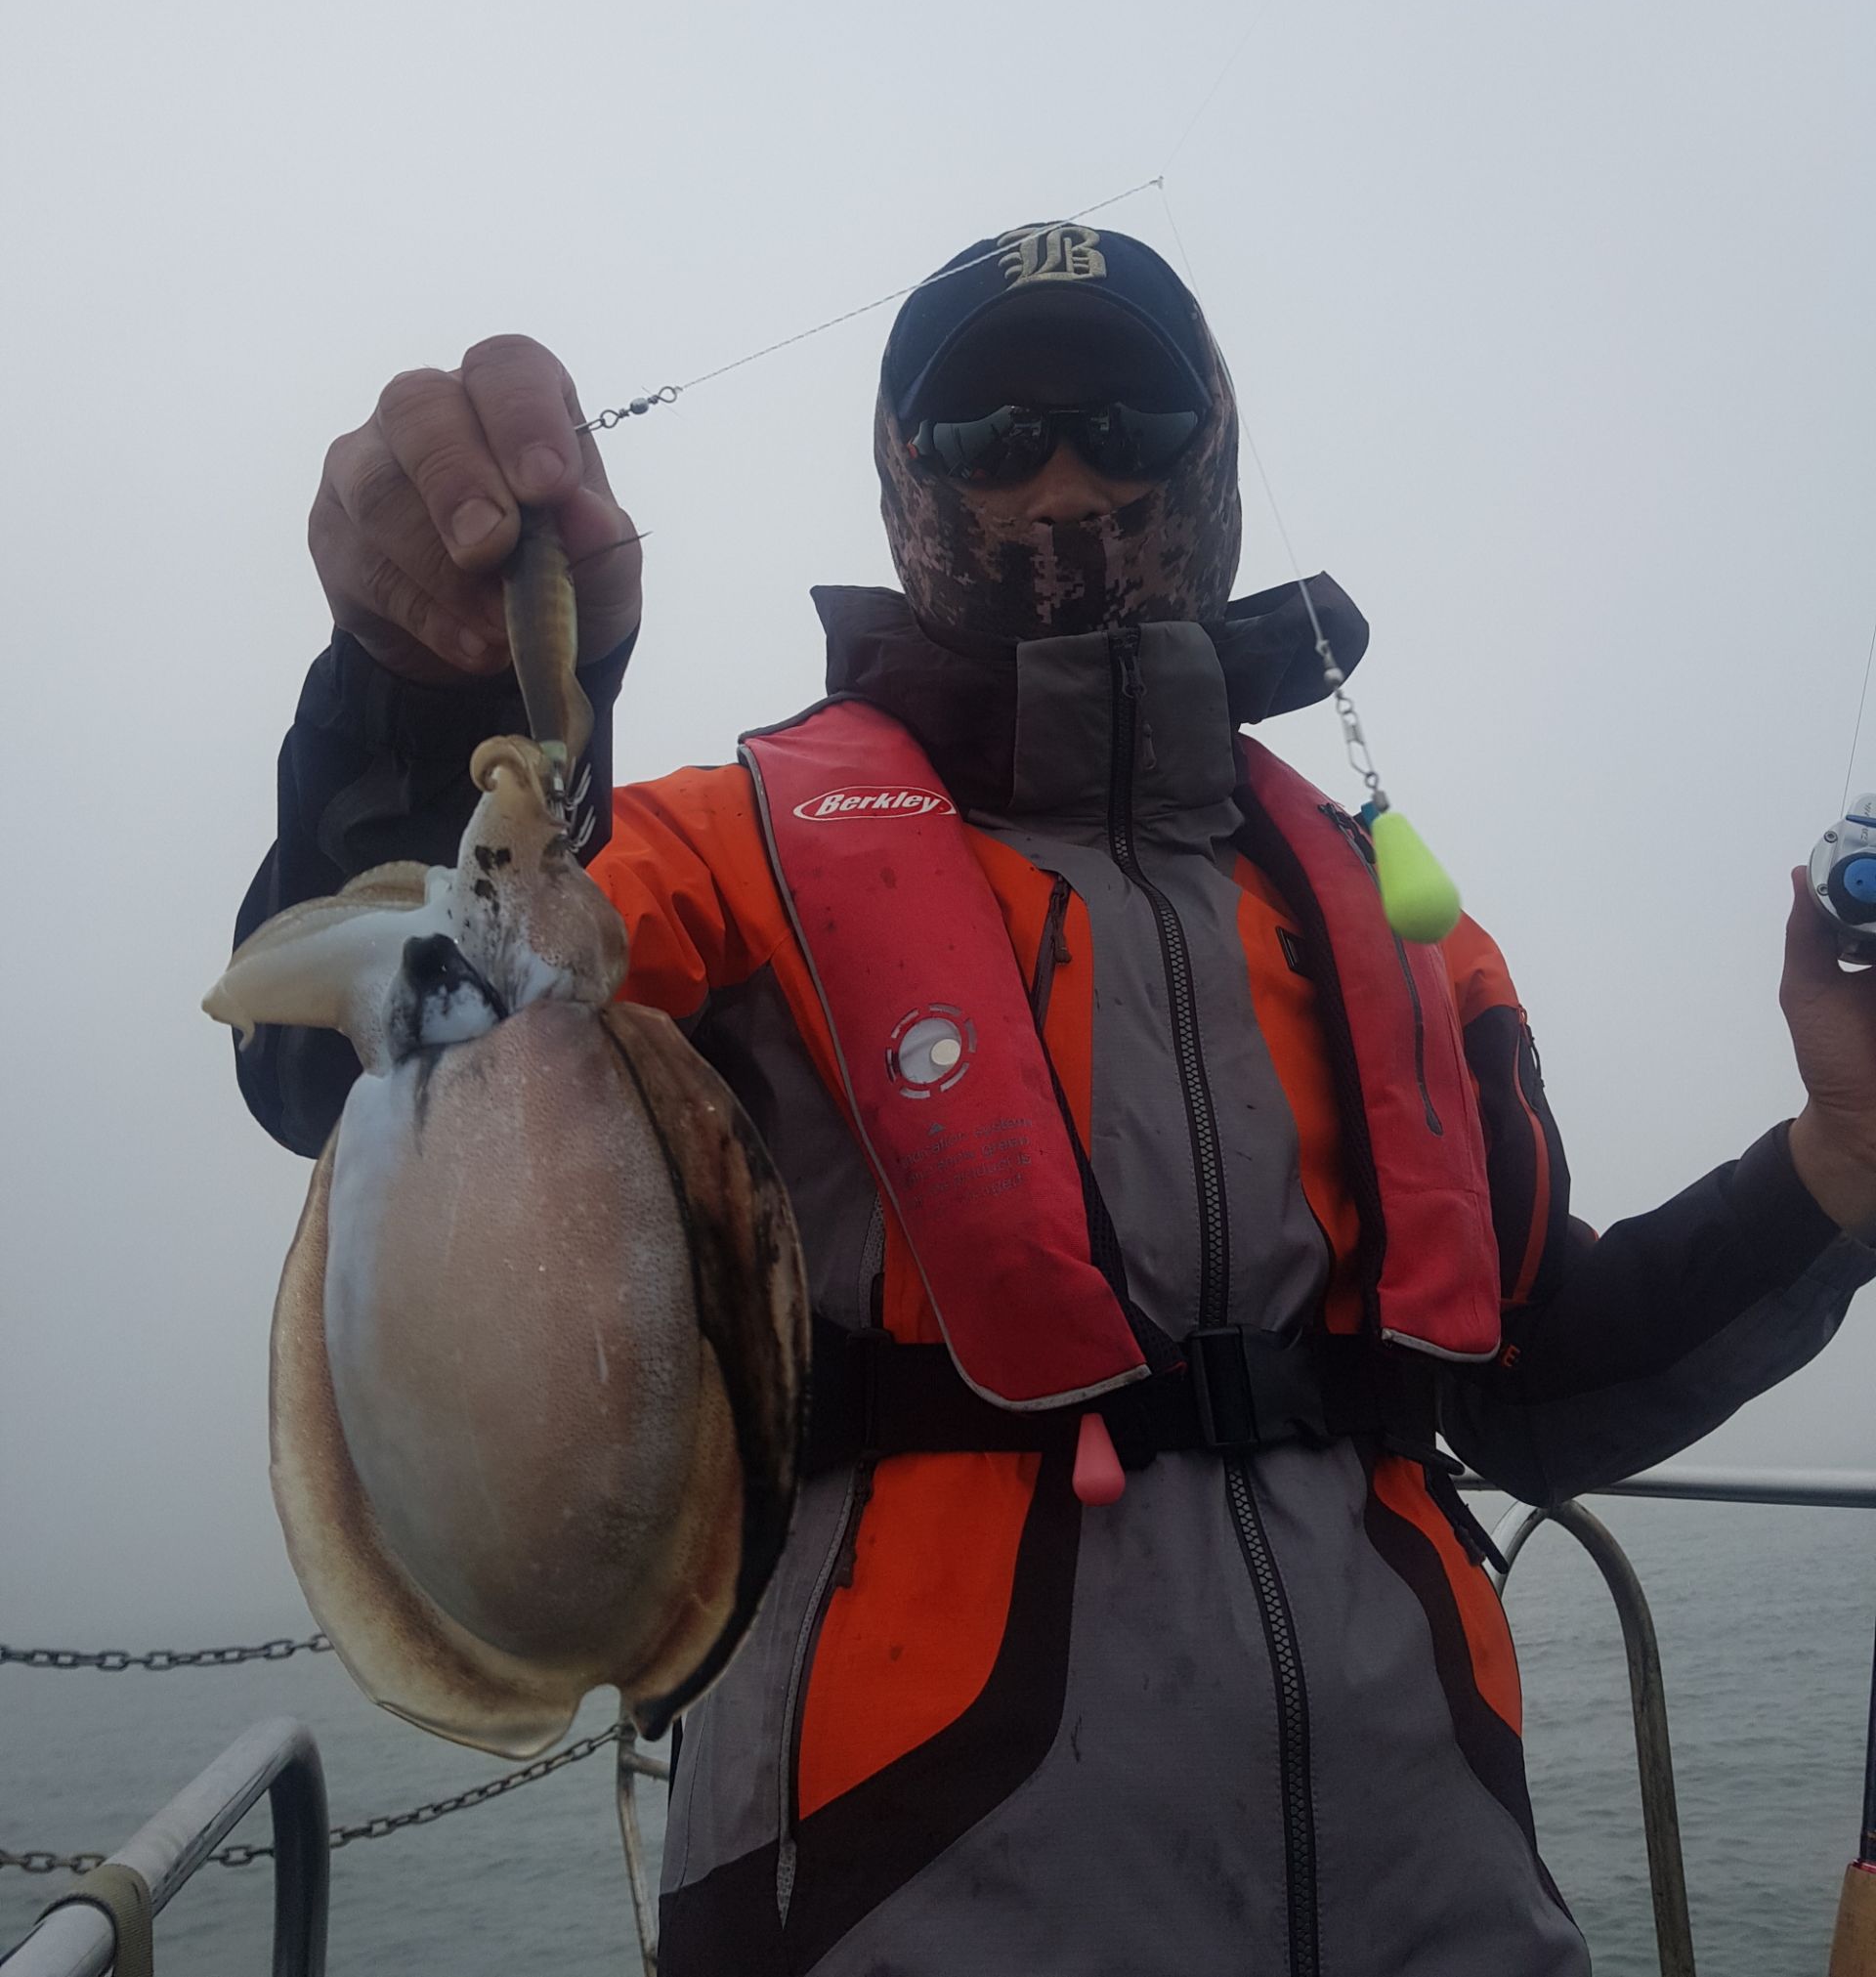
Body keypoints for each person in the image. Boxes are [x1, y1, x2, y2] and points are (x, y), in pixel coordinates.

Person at [236, 224, 1876, 1977]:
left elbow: (1547, 1389)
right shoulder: (724, 852)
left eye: (1126, 416)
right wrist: (446, 697)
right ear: (905, 482)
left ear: (1216, 446)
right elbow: (384, 1030)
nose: (1064, 479)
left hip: (1448, 1902)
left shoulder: (1405, 925)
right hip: (904, 1910)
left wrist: (1842, 1160)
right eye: (989, 435)